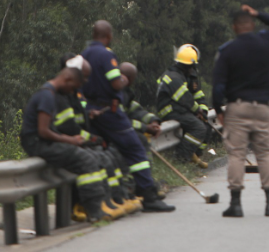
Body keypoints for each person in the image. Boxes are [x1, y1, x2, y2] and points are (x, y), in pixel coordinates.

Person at [82, 20, 174, 212]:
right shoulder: (106, 54)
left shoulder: (84, 55)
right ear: (108, 36)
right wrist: (122, 80)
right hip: (109, 111)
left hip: (90, 111)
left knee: (102, 151)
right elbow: (116, 83)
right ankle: (149, 196)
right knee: (136, 150)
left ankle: (113, 196)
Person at [212, 4, 269, 218]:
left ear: (234, 27)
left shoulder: (227, 51)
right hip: (263, 107)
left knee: (236, 154)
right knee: (264, 154)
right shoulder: (266, 42)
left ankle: (235, 204)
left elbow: (218, 86)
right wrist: (258, 13)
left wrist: (219, 109)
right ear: (252, 25)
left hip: (237, 107)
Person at [20, 65, 112, 222]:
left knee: (92, 154)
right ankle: (94, 211)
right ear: (67, 79)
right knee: (86, 159)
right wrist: (69, 140)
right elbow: (43, 131)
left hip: (43, 142)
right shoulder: (47, 96)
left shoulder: (50, 94)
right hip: (37, 143)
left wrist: (73, 140)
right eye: (73, 88)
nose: (71, 92)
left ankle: (100, 204)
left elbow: (51, 129)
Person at [54, 55, 141, 220]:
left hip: (77, 139)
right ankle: (82, 205)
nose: (86, 81)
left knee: (109, 155)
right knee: (92, 161)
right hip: (67, 143)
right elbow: (69, 128)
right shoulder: (60, 95)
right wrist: (91, 138)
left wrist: (89, 115)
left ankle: (114, 199)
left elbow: (78, 119)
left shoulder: (74, 94)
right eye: (84, 77)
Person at [156, 46, 210, 169]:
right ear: (185, 66)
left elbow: (198, 96)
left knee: (205, 125)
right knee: (198, 128)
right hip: (170, 111)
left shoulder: (184, 76)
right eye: (190, 67)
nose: (192, 69)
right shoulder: (174, 77)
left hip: (180, 109)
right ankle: (181, 160)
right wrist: (197, 110)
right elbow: (185, 99)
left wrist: (203, 111)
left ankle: (196, 154)